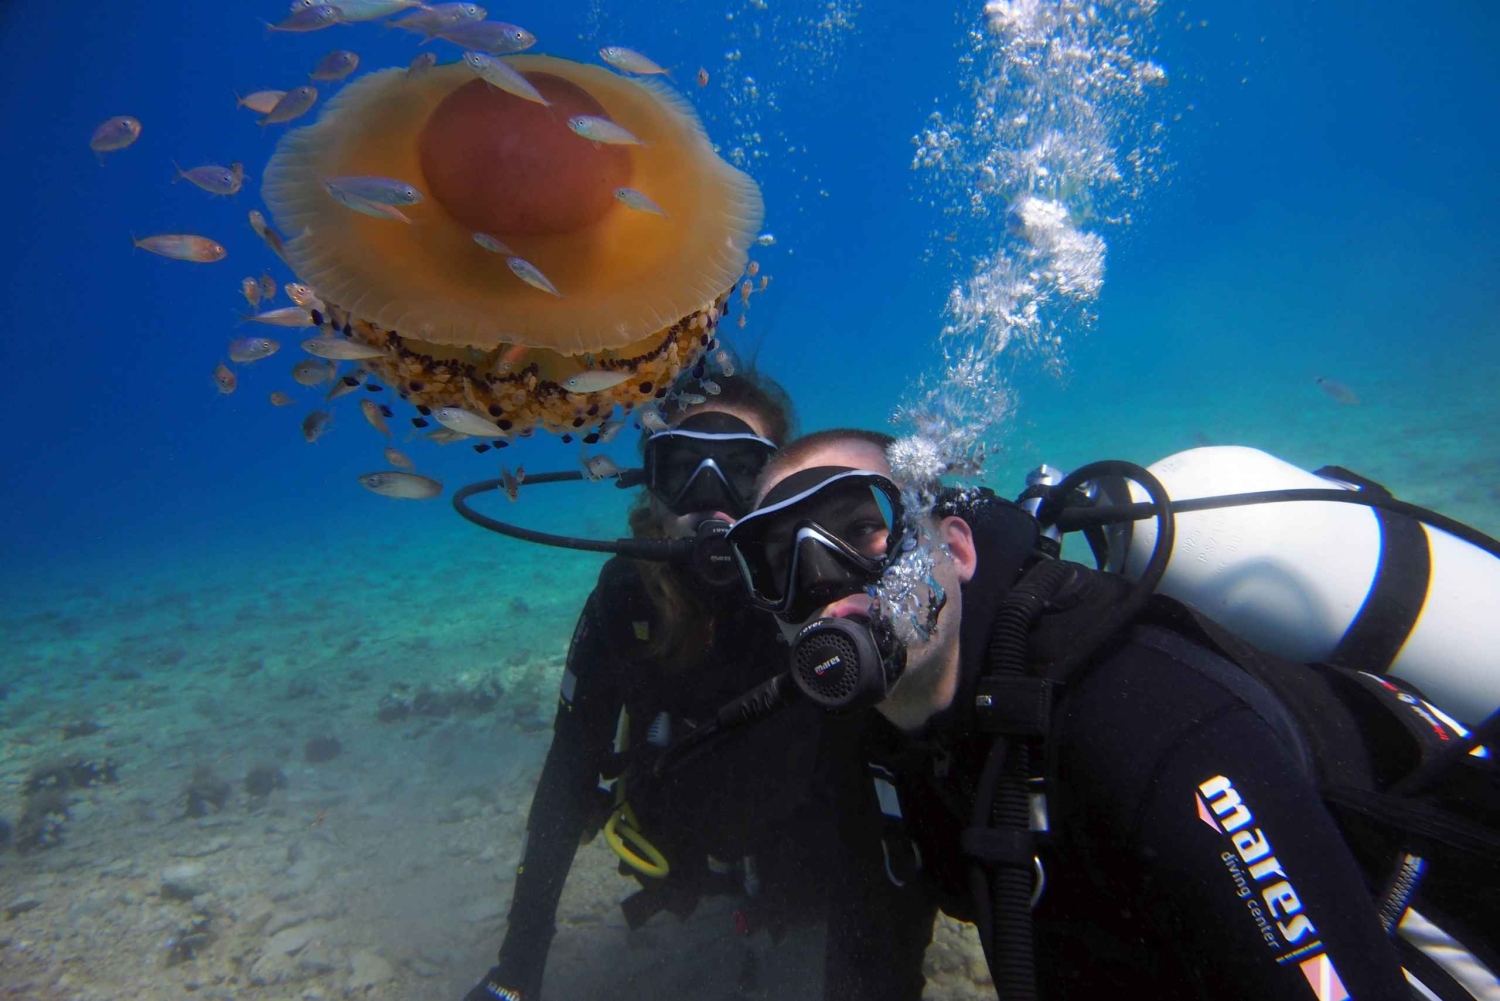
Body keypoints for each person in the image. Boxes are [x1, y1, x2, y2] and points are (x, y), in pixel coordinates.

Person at [726, 428, 1500, 1001]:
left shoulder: (1128, 707)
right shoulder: (868, 745)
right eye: (777, 560)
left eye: (861, 526)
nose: (822, 584)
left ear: (956, 548)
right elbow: (874, 948)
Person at [464, 373, 832, 1001]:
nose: (708, 500)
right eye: (683, 468)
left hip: (804, 848)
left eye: (741, 472)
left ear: (779, 490)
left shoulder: (816, 587)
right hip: (680, 844)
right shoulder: (624, 595)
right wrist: (516, 969)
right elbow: (568, 771)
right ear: (653, 490)